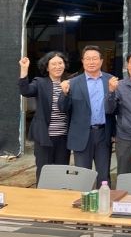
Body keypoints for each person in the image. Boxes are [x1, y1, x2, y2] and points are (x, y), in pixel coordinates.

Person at [58, 45, 116, 187]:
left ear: (101, 61)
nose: (91, 62)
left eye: (95, 58)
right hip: (81, 135)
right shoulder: (73, 83)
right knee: (83, 178)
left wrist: (111, 92)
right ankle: (84, 200)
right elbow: (63, 108)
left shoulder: (110, 81)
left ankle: (104, 200)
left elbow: (114, 109)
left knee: (104, 176)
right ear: (83, 61)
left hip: (103, 134)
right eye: (88, 59)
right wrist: (64, 94)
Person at [18, 52, 71, 183]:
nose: (57, 66)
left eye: (60, 63)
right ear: (47, 67)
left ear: (64, 65)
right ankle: (41, 195)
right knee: (44, 172)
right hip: (44, 136)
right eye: (53, 64)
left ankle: (59, 195)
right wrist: (24, 70)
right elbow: (25, 91)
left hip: (63, 137)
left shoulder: (69, 83)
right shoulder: (40, 83)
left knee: (61, 172)